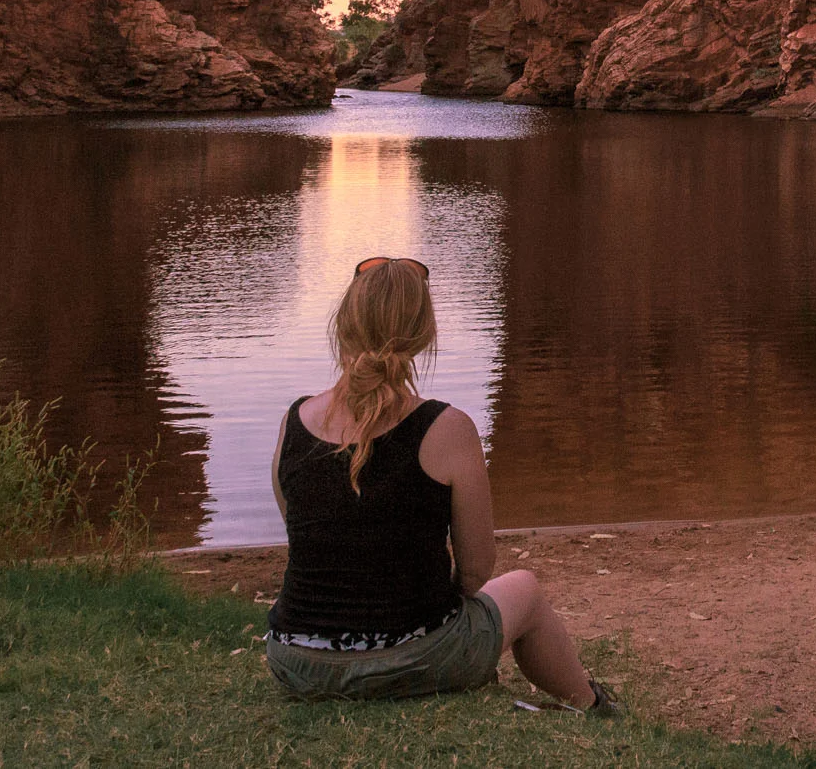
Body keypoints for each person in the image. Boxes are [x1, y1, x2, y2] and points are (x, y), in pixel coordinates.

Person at [264, 255, 617, 711]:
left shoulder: (294, 421)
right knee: (525, 589)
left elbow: (307, 535)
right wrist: (422, 613)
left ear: (344, 324)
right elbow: (474, 572)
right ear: (424, 333)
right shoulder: (447, 428)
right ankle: (593, 706)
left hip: (297, 663)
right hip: (415, 659)